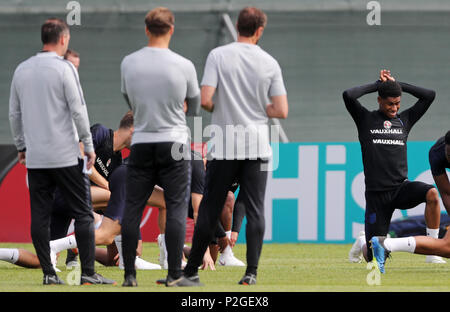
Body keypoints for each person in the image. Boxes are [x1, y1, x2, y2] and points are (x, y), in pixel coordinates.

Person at [182, 7, 288, 286]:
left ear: (238, 25)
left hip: (225, 146)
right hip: (257, 146)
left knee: (208, 208)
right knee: (255, 211)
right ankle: (251, 273)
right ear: (260, 30)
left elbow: (205, 100)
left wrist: (225, 108)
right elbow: (281, 110)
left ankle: (191, 272)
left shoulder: (218, 55)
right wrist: (256, 108)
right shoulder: (269, 62)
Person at [8, 18, 114, 285]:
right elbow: (79, 111)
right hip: (66, 154)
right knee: (82, 212)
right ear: (64, 39)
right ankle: (87, 273)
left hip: (37, 157)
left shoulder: (22, 70)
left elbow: (14, 114)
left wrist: (21, 146)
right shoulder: (66, 69)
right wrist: (88, 147)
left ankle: (48, 274)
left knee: (40, 216)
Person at [120, 7, 201, 287]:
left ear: (146, 29)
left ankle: (129, 275)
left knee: (132, 208)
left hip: (142, 142)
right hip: (174, 142)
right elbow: (195, 106)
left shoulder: (129, 63)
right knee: (177, 207)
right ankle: (174, 275)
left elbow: (128, 99)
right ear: (171, 29)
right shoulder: (183, 64)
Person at [344, 70, 444, 269]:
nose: (395, 108)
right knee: (374, 257)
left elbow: (429, 95)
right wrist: (378, 84)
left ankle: (432, 250)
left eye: (398, 103)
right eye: (390, 103)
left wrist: (397, 84)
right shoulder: (365, 119)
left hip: (400, 189)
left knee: (432, 194)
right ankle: (363, 242)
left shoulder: (404, 120)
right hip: (376, 196)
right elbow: (348, 95)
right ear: (379, 100)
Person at [48, 111, 161, 270]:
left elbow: (114, 204)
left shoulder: (118, 161)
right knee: (119, 196)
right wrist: (107, 186)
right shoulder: (101, 133)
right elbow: (80, 154)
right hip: (63, 192)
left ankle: (80, 247)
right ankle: (129, 257)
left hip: (80, 204)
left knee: (110, 259)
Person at [370, 130, 450, 272]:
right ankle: (385, 244)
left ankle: (384, 243)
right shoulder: (437, 153)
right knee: (448, 247)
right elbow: (446, 193)